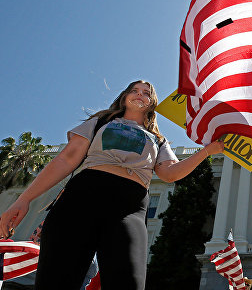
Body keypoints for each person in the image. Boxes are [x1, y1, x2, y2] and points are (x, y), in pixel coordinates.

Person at [0, 80, 225, 290]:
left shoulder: (158, 139)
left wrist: (207, 151)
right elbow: (66, 159)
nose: (140, 94)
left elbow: (169, 174)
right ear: (125, 97)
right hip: (82, 198)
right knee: (57, 279)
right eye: (135, 90)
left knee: (128, 281)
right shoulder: (102, 122)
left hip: (130, 207)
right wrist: (24, 198)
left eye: (146, 93)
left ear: (152, 103)